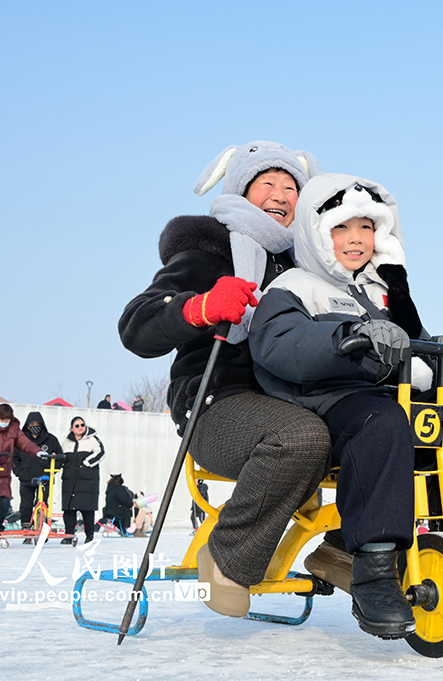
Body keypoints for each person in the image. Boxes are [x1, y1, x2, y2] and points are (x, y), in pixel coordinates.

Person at [250, 173, 443, 640]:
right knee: (382, 420)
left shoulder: (380, 292)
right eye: (341, 228)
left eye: (366, 228)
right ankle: (371, 567)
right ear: (315, 232)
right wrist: (344, 338)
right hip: (329, 404)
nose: (356, 239)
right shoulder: (294, 286)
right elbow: (279, 346)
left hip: (389, 398)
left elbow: (417, 352)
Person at [119, 141, 332, 619]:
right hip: (219, 400)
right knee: (299, 437)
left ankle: (347, 550)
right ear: (243, 189)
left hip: (297, 398)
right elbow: (136, 324)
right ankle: (229, 556)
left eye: (290, 187)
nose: (280, 195)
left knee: (381, 423)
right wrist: (199, 307)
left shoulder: (315, 261)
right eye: (268, 184)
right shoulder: (209, 251)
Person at [12, 411, 63, 530]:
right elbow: (14, 458)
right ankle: (26, 525)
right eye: (32, 424)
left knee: (43, 503)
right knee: (26, 503)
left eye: (37, 423)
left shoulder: (51, 439)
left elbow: (60, 457)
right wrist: (18, 471)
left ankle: (41, 526)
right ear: (27, 425)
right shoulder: (20, 440)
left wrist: (52, 471)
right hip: (26, 477)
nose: (35, 426)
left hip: (44, 477)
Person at [60, 416, 105, 544]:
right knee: (69, 510)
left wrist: (86, 463)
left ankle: (89, 535)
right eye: (77, 425)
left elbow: (101, 453)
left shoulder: (93, 439)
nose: (80, 427)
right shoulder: (66, 442)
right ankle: (69, 535)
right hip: (70, 482)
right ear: (71, 428)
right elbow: (61, 458)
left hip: (88, 482)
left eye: (82, 425)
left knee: (87, 510)